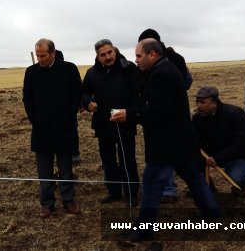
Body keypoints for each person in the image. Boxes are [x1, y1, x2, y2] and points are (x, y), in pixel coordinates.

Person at [111, 39, 220, 241]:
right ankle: (212, 213)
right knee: (194, 178)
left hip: (166, 143)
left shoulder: (162, 75)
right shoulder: (166, 69)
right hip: (182, 141)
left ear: (152, 54)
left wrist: (130, 115)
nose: (136, 60)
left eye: (139, 55)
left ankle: (144, 229)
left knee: (151, 184)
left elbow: (158, 111)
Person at [23, 38, 82, 218]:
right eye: (38, 56)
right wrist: (35, 119)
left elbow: (76, 95)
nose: (40, 59)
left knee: (65, 169)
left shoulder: (69, 69)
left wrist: (68, 117)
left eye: (43, 56)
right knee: (44, 171)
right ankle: (47, 204)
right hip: (41, 130)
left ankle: (68, 201)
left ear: (53, 53)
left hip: (64, 128)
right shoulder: (31, 72)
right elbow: (28, 98)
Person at [81, 39, 141, 206]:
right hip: (103, 123)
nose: (108, 57)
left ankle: (131, 193)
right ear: (97, 56)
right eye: (103, 54)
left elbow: (138, 95)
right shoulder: (92, 73)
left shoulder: (128, 68)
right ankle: (113, 191)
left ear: (114, 50)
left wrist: (129, 113)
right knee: (107, 160)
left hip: (125, 123)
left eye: (110, 52)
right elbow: (84, 92)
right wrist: (88, 103)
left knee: (127, 160)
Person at [137, 28, 193, 203]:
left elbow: (185, 83)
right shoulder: (148, 64)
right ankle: (169, 189)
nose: (138, 59)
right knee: (165, 156)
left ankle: (167, 190)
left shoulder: (173, 61)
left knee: (166, 157)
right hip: (158, 117)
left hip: (171, 117)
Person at [193, 86, 245, 197]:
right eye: (197, 102)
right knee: (192, 166)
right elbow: (198, 143)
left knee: (235, 176)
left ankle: (241, 185)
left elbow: (241, 143)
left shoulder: (235, 114)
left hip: (238, 156)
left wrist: (218, 158)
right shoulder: (197, 118)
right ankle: (208, 188)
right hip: (211, 156)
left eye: (203, 102)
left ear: (214, 103)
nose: (199, 106)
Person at [55, 49, 81, 164]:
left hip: (69, 109)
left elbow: (77, 89)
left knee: (72, 130)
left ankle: (75, 152)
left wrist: (78, 105)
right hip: (55, 110)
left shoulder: (69, 70)